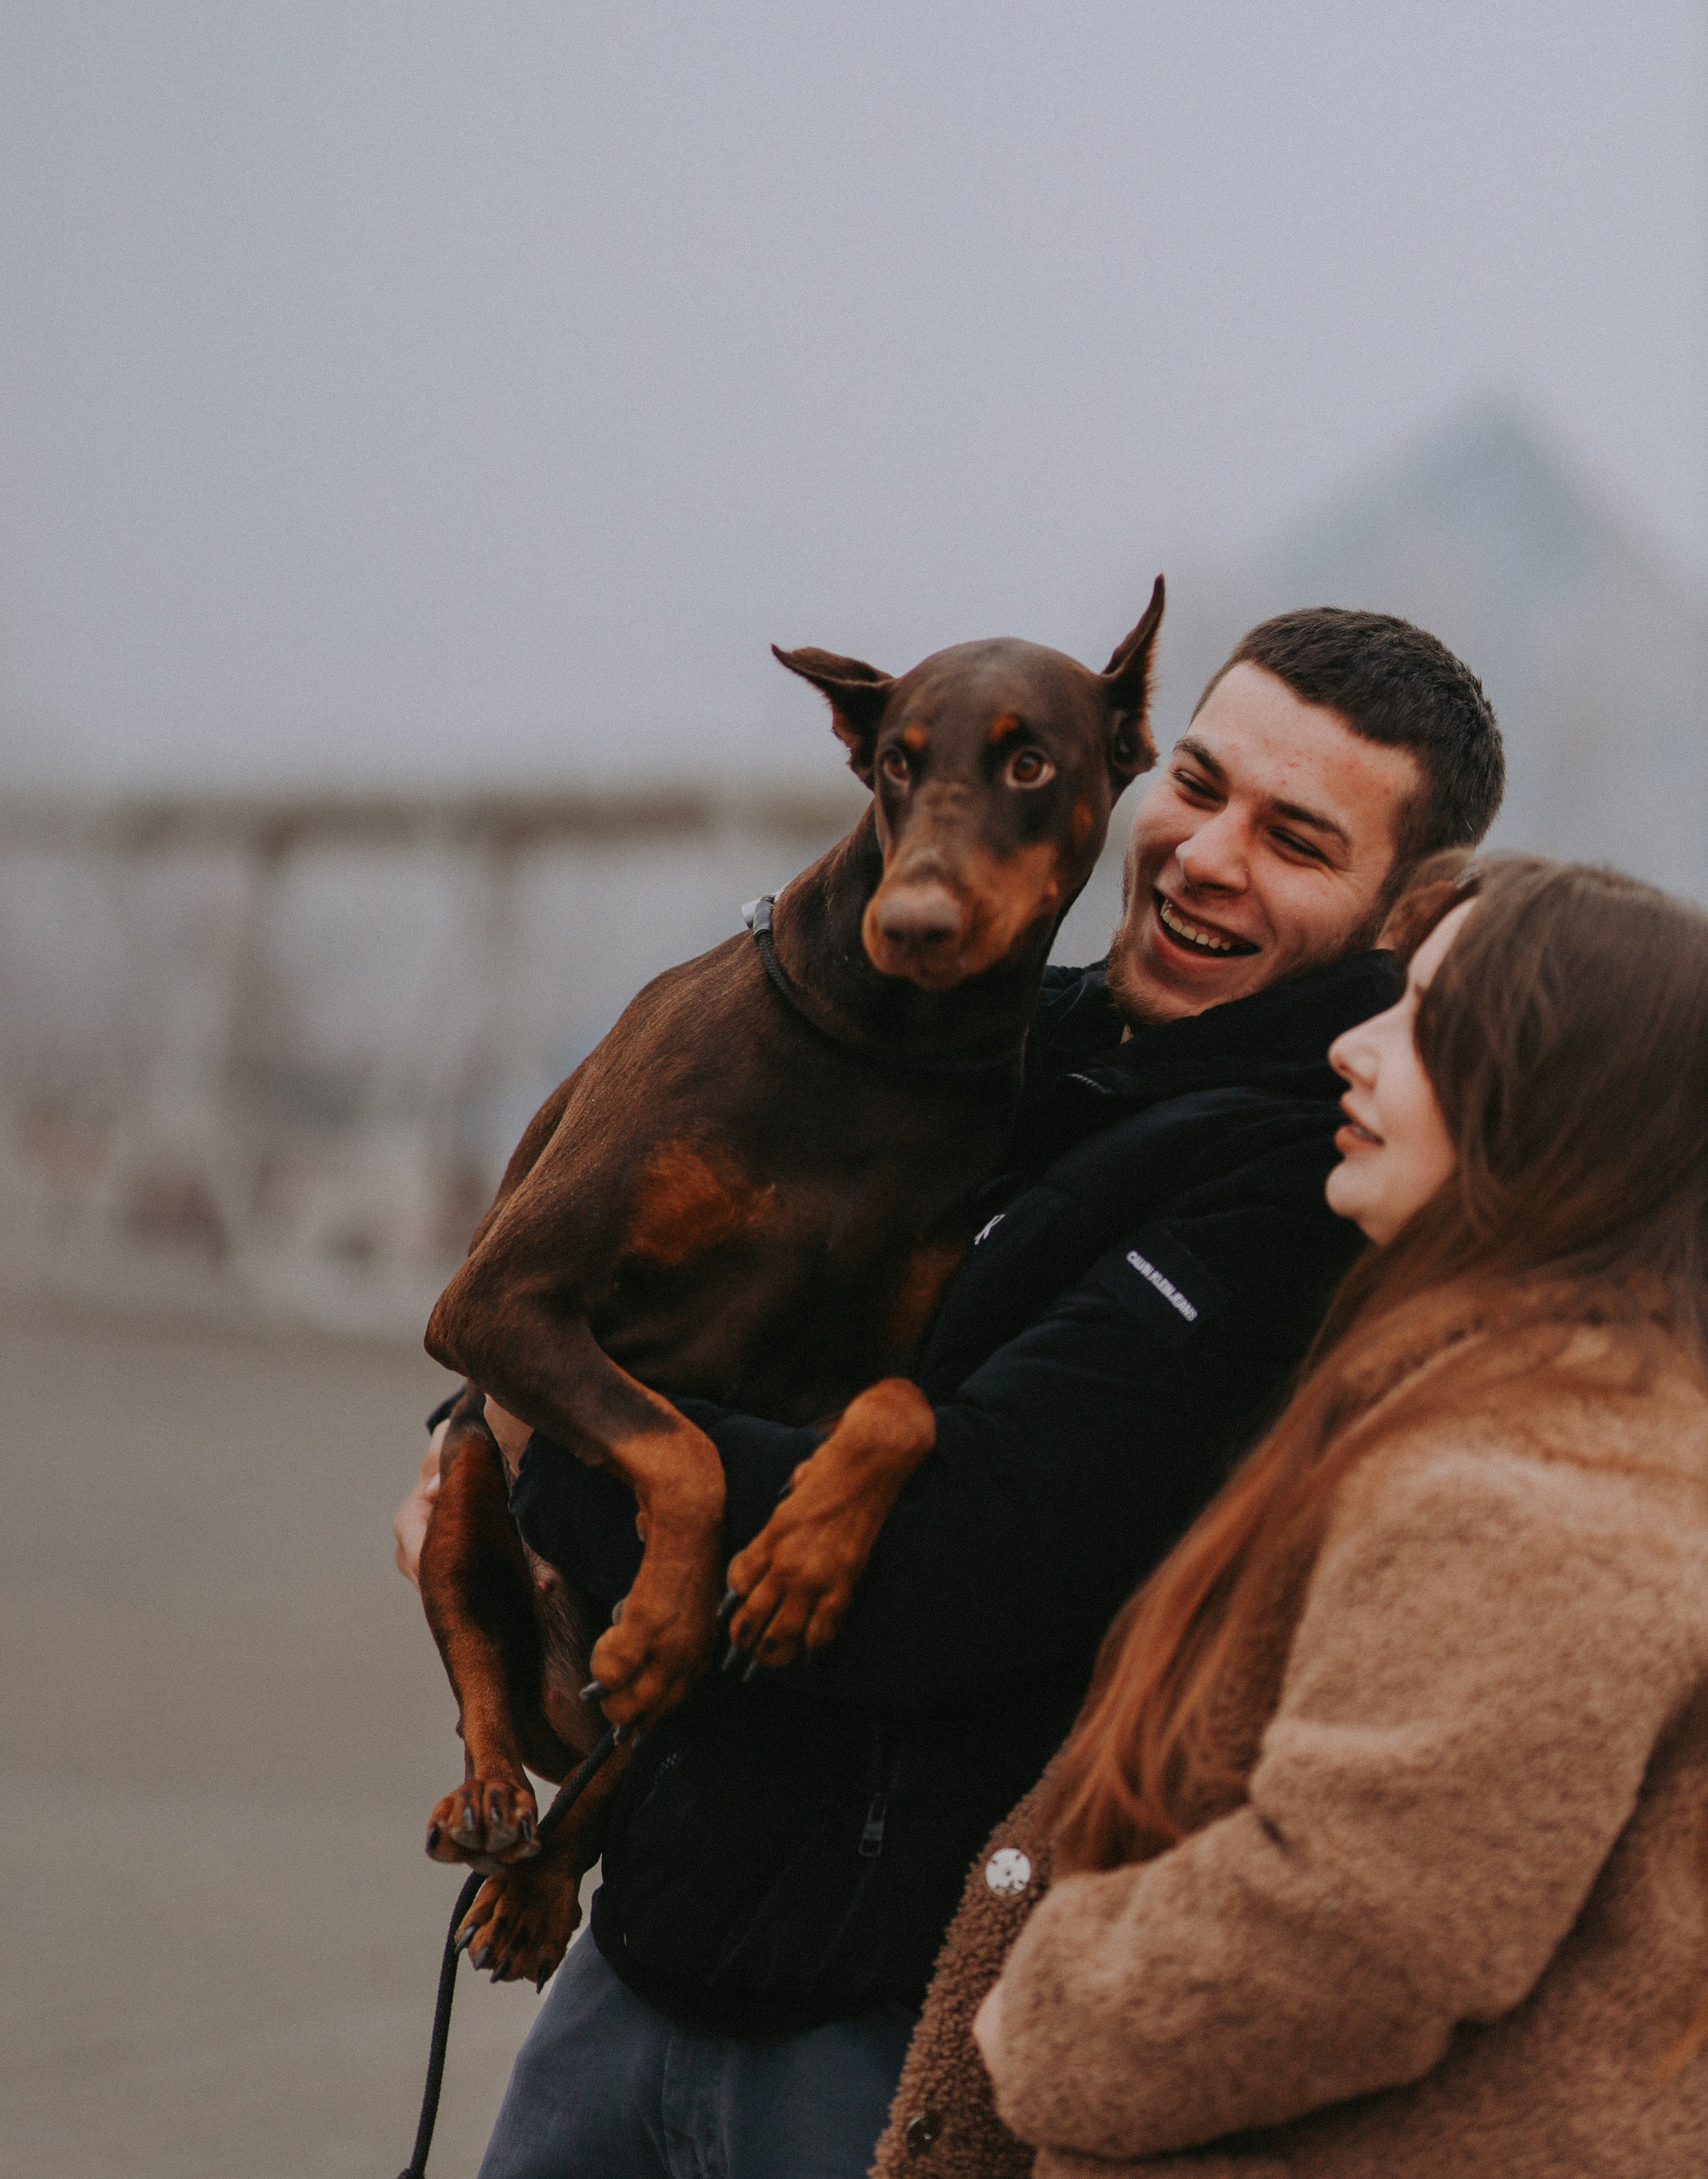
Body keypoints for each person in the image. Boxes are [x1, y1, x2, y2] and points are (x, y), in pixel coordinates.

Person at [396, 606, 1505, 2179]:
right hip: (642, 1954)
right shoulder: (996, 1039)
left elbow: (940, 1579)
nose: (1202, 856)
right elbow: (608, 1306)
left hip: (872, 2047)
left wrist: (550, 1463)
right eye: (1198, 786)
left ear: (1403, 913)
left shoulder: (1291, 1189)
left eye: (1297, 841)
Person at [949, 855, 1708, 2178]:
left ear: (1551, 1104)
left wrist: (1046, 2005)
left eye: (1417, 1018)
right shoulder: (1572, 1428)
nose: (1348, 1050)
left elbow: (1355, 1927)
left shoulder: (1529, 1487)